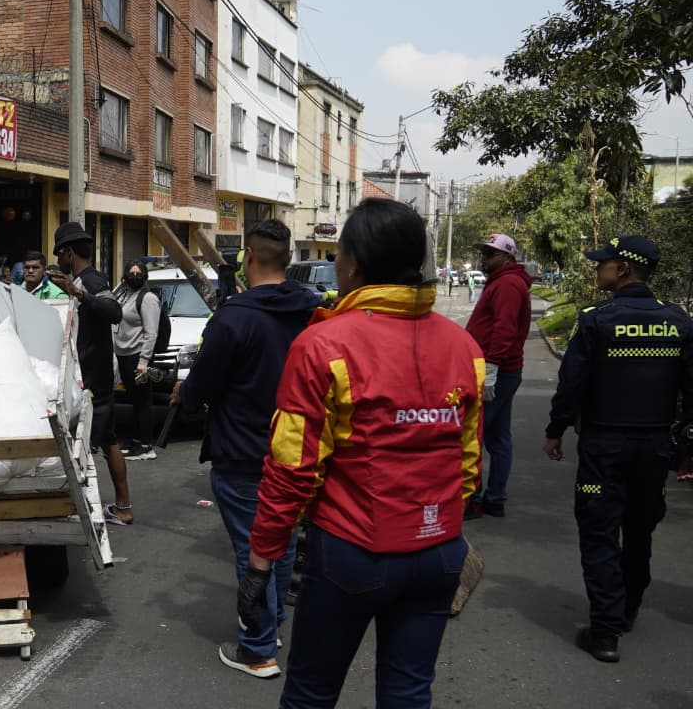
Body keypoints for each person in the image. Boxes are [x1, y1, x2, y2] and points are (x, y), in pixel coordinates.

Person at [240, 198, 483, 707]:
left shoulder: (324, 344)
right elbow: (467, 461)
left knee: (310, 695)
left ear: (351, 263)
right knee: (409, 693)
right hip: (439, 553)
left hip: (353, 553)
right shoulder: (464, 347)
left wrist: (261, 561)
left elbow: (292, 468)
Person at [173, 219, 319, 678]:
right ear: (290, 260)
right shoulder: (314, 312)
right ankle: (271, 623)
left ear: (248, 258)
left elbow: (202, 386)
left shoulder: (233, 318)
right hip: (297, 451)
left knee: (253, 548)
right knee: (279, 540)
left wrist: (186, 392)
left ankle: (257, 647)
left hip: (243, 452)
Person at [542, 235, 693, 663]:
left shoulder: (596, 320)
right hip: (655, 449)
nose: (598, 269)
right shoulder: (678, 322)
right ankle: (626, 610)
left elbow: (572, 383)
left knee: (599, 532)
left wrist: (556, 430)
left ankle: (605, 633)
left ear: (623, 269)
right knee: (641, 530)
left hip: (604, 448)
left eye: (602, 263)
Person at [46, 221, 132, 525]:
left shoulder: (91, 281)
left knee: (83, 448)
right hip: (95, 377)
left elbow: (114, 313)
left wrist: (77, 293)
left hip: (95, 381)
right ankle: (122, 507)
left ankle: (82, 512)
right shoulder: (82, 281)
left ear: (69, 253)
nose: (58, 262)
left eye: (60, 255)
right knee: (109, 442)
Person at [464, 233, 532, 519]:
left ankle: (474, 499)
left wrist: (491, 366)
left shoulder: (507, 284)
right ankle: (494, 498)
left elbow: (504, 328)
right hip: (502, 368)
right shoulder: (504, 281)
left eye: (490, 254)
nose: (484, 258)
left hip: (497, 370)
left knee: (474, 435)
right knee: (498, 437)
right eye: (484, 253)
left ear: (507, 256)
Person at [115, 260, 162, 461]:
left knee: (143, 401)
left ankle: (146, 445)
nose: (134, 276)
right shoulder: (126, 295)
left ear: (144, 277)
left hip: (137, 356)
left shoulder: (148, 298)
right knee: (135, 400)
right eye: (131, 273)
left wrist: (143, 361)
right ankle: (136, 440)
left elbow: (151, 333)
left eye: (139, 273)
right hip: (124, 355)